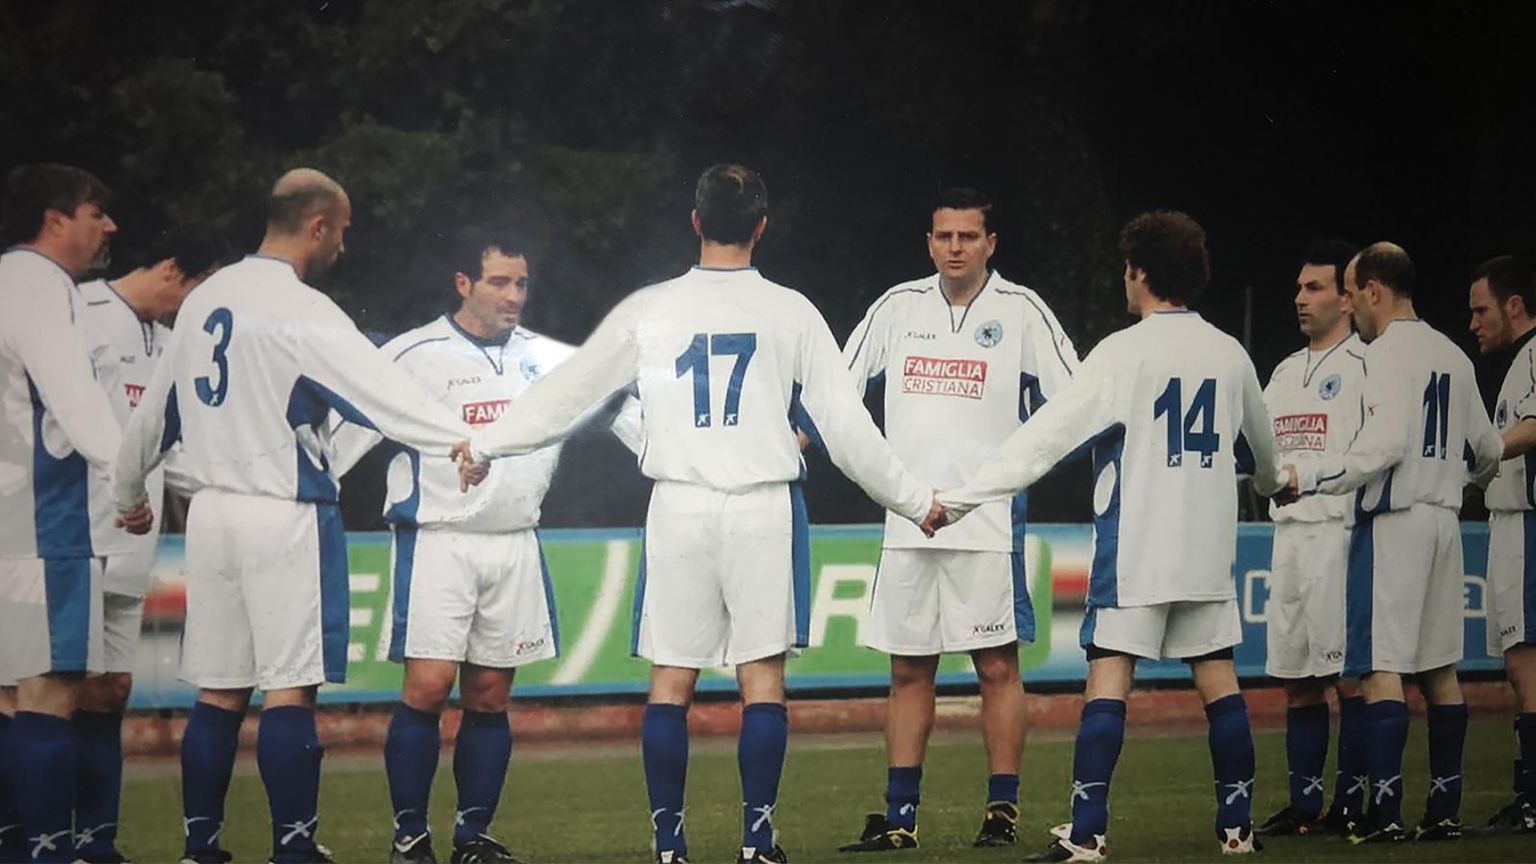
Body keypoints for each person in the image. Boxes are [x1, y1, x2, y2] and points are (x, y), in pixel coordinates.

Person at [467, 163, 943, 864]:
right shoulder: (792, 310)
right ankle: (756, 840)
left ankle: (670, 843)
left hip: (680, 508)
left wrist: (487, 443)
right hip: (761, 508)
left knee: (671, 679)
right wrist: (914, 499)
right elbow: (847, 430)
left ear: (695, 222)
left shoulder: (650, 307)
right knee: (762, 680)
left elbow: (567, 394)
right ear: (762, 225)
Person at [111, 168, 479, 864]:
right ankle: (294, 846)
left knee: (218, 691)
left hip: (213, 515)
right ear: (317, 225)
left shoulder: (206, 296)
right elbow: (382, 394)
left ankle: (201, 847)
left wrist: (128, 494)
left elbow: (155, 414)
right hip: (285, 509)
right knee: (289, 689)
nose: (343, 242)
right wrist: (456, 441)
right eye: (341, 229)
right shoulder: (301, 308)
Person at [935, 210, 1286, 860]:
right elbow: (1263, 458)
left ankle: (1088, 834)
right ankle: (1237, 830)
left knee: (1109, 677)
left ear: (1142, 273)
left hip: (1137, 552)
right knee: (1218, 677)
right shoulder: (1229, 353)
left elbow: (1040, 441)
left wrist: (957, 499)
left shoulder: (1124, 353)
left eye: (1128, 270)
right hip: (1207, 550)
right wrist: (1274, 485)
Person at [328, 227, 641, 864]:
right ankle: (410, 838)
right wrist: (305, 491)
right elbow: (343, 438)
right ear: (463, 284)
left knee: (492, 693)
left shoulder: (549, 359)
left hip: (514, 541)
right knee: (427, 686)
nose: (514, 295)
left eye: (521, 282)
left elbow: (624, 413)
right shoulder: (413, 355)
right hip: (438, 540)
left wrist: (677, 458)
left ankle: (473, 837)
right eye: (499, 281)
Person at [835, 187, 1078, 852]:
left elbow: (1075, 403)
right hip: (909, 519)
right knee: (909, 670)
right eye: (943, 236)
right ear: (929, 241)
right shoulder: (897, 308)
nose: (954, 248)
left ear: (991, 244)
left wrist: (1013, 474)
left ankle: (1001, 812)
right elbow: (836, 392)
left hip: (987, 521)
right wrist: (886, 479)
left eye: (968, 237)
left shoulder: (1022, 312)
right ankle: (900, 817)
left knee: (996, 667)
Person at [1280, 242, 1503, 843]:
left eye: (1352, 290)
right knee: (1439, 671)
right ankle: (1446, 810)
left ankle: (1387, 815)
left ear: (1375, 291)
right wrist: (1459, 481)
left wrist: (1311, 477)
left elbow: (1381, 448)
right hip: (1444, 523)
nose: (1349, 301)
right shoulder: (1453, 354)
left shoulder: (1382, 357)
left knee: (1380, 671)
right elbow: (1487, 449)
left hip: (1393, 523)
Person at [72, 224, 231, 863]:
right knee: (47, 696)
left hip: (132, 546)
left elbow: (175, 450)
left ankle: (96, 841)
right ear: (172, 270)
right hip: (70, 540)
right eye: (198, 293)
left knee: (110, 692)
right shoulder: (79, 314)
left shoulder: (169, 343)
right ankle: (35, 839)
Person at [0, 163, 122, 864]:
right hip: (44, 526)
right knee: (50, 694)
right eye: (95, 211)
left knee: (11, 698)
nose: (107, 226)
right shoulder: (46, 290)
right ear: (56, 218)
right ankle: (48, 852)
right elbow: (74, 401)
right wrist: (125, 480)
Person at [1254, 239, 1371, 837]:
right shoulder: (1282, 371)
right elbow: (1259, 452)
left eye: (1315, 287)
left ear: (1348, 299)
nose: (1301, 298)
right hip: (1290, 539)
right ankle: (1304, 806)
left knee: (1345, 675)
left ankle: (1351, 801)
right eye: (1299, 287)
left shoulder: (1364, 367)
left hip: (1338, 533)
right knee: (1297, 679)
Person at [1466, 254, 1536, 834]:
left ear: (1514, 305)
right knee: (1520, 659)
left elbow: (1534, 427)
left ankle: (1534, 796)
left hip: (1528, 522)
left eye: (1481, 309)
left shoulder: (1534, 353)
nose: (1474, 322)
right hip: (1511, 522)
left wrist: (1478, 457)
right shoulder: (1520, 362)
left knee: (1526, 658)